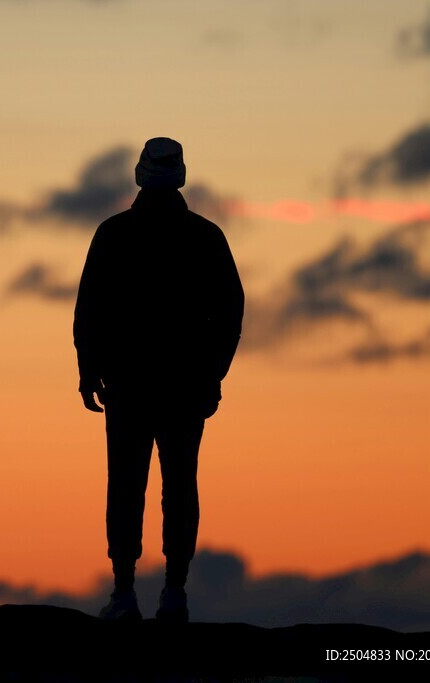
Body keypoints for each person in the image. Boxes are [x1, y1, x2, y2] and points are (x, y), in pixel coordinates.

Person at [73, 137, 245, 623]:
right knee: (179, 485)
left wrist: (88, 369)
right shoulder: (206, 237)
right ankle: (174, 593)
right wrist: (213, 374)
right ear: (181, 177)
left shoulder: (113, 235)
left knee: (126, 485)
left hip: (129, 384)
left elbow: (89, 310)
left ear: (139, 177)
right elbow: (231, 313)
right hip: (184, 385)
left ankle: (124, 594)